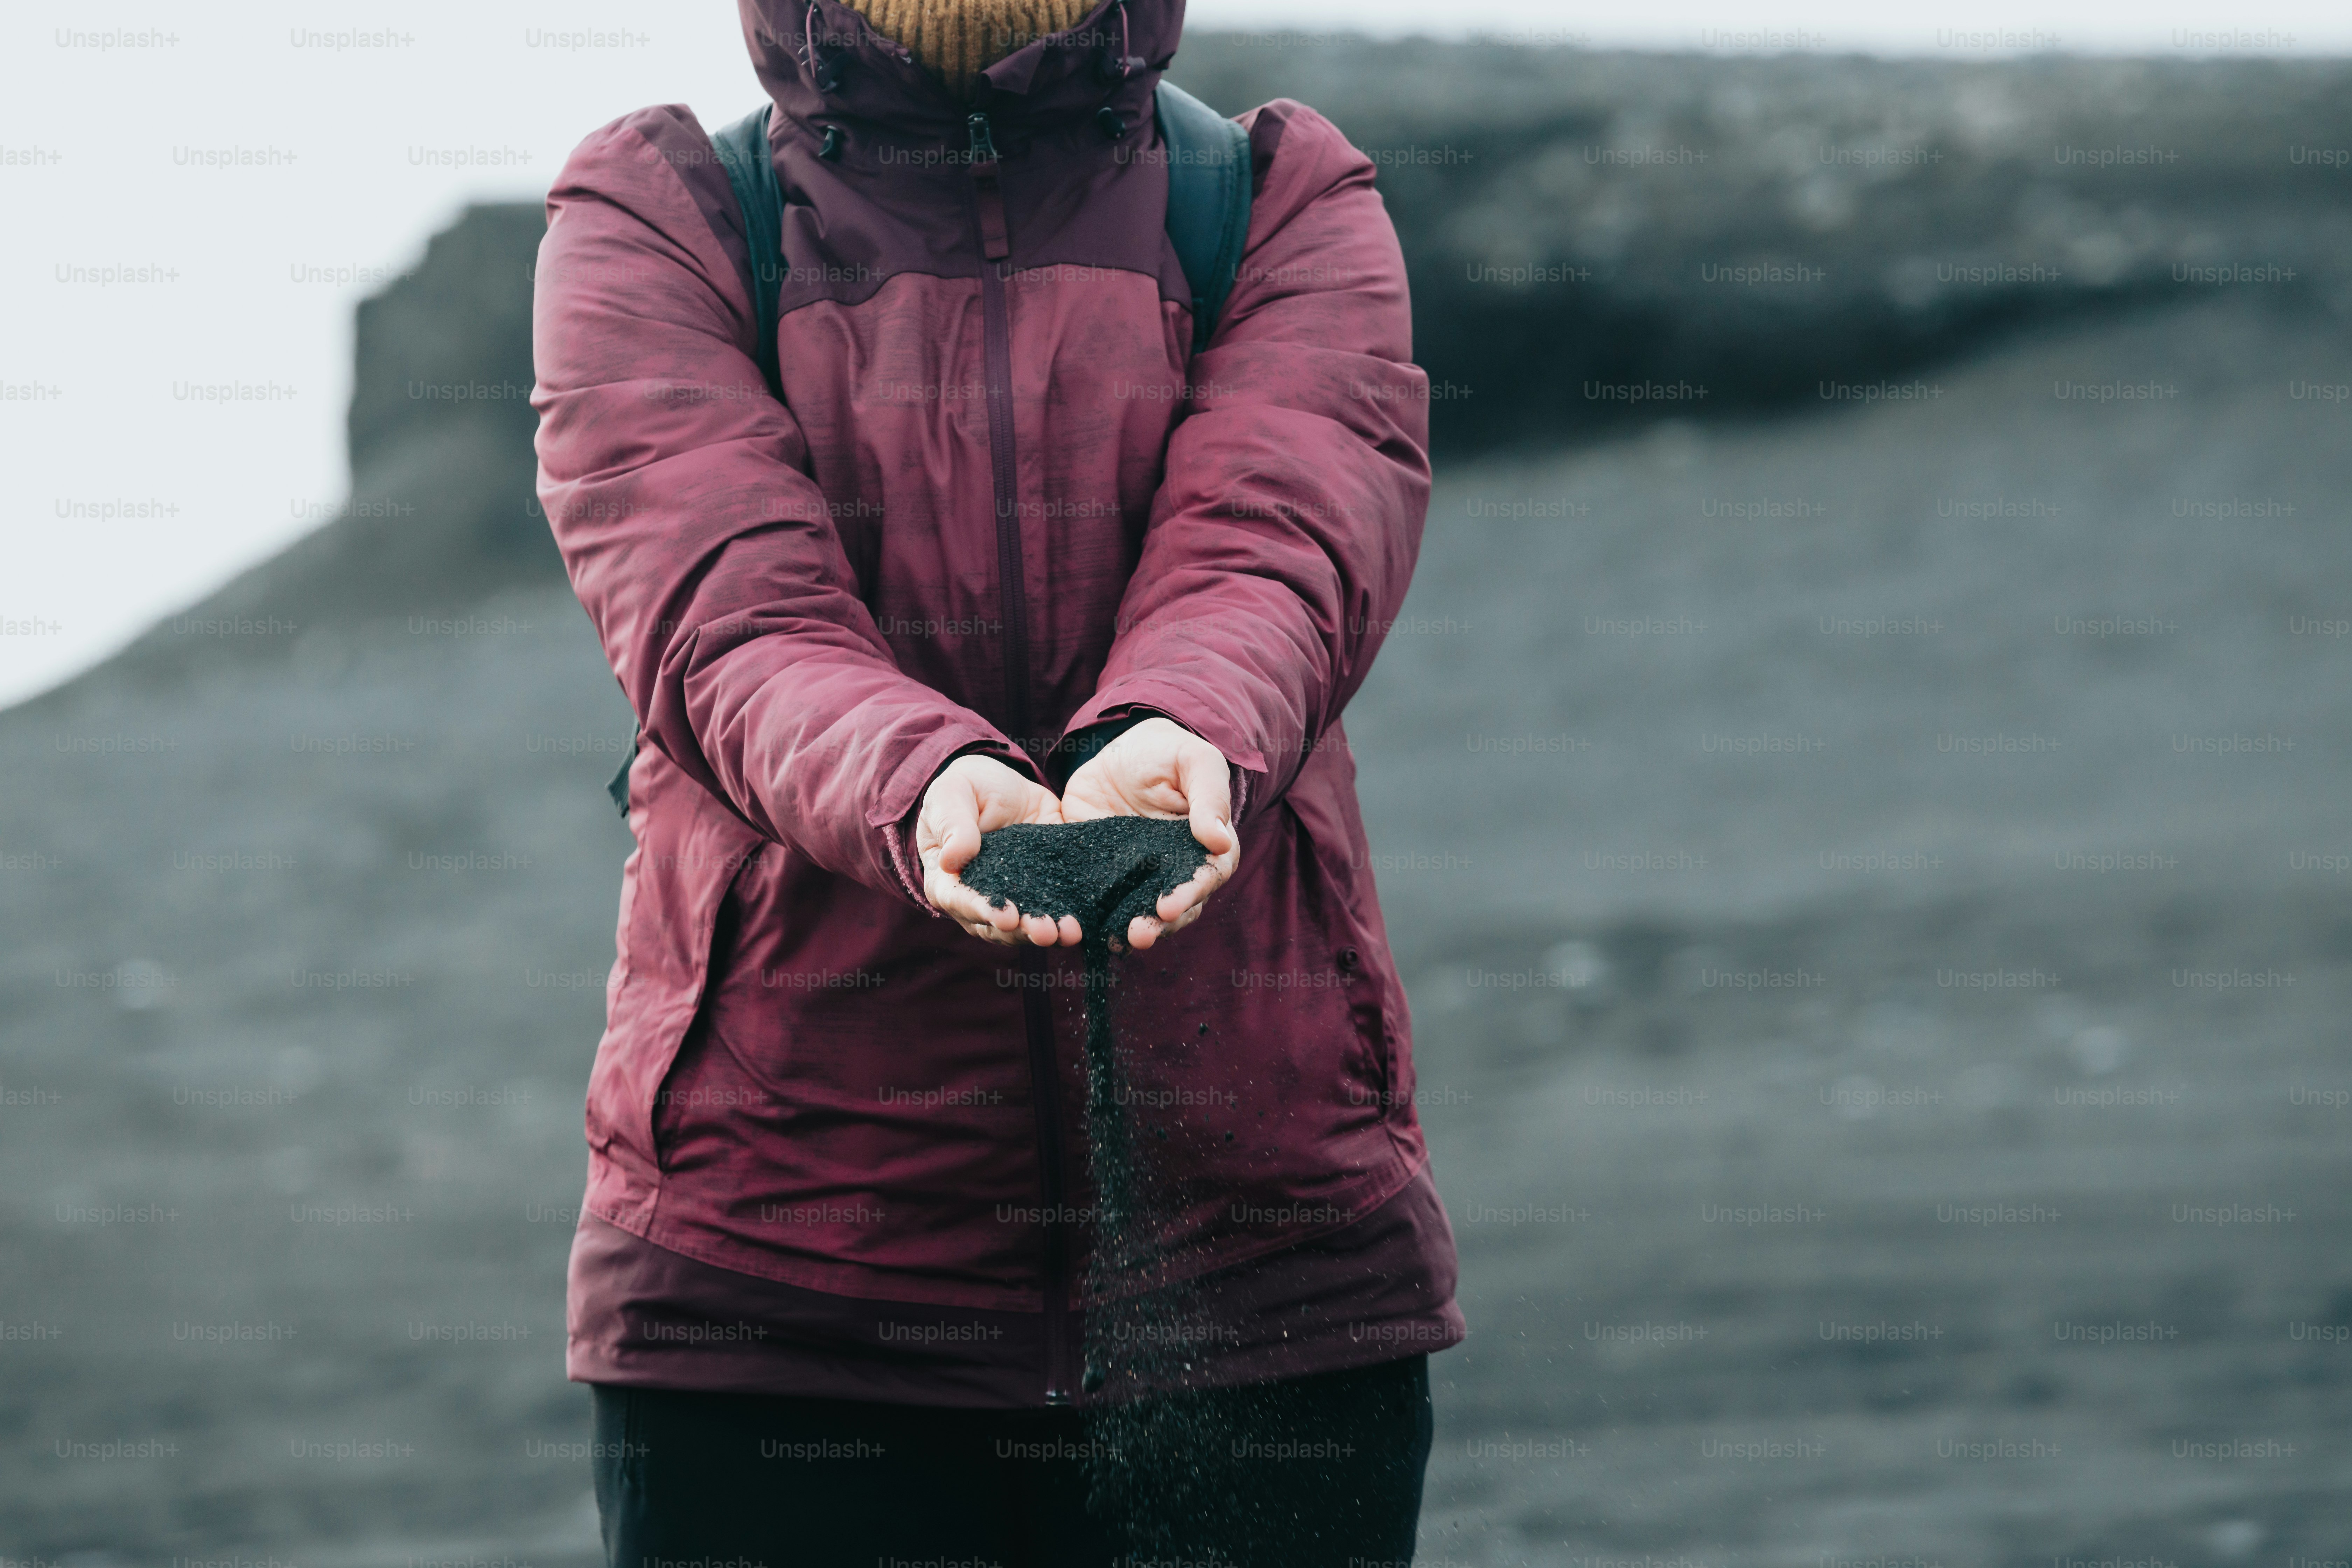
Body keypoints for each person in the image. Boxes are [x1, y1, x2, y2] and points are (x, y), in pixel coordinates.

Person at [530, 0, 1461, 1559]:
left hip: (1264, 1265)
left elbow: (1283, 542)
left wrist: (1177, 731)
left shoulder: (1279, 197)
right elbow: (721, 611)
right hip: (784, 1277)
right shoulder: (664, 211)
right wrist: (929, 779)